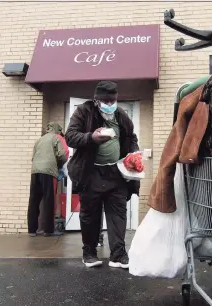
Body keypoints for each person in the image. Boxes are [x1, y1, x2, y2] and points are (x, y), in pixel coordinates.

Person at [65, 81, 139, 269]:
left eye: (112, 100)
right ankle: (89, 253)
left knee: (118, 213)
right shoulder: (84, 111)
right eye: (105, 101)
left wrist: (133, 154)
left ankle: (118, 255)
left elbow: (131, 138)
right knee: (90, 215)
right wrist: (91, 137)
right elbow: (71, 136)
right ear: (96, 100)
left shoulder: (121, 115)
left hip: (116, 173)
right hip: (91, 173)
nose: (109, 104)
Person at [28, 122, 68, 237]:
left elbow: (33, 157)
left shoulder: (39, 140)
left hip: (35, 171)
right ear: (57, 130)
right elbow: (62, 155)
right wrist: (59, 166)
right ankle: (49, 230)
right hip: (49, 171)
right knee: (48, 201)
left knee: (34, 200)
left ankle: (32, 230)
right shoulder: (56, 138)